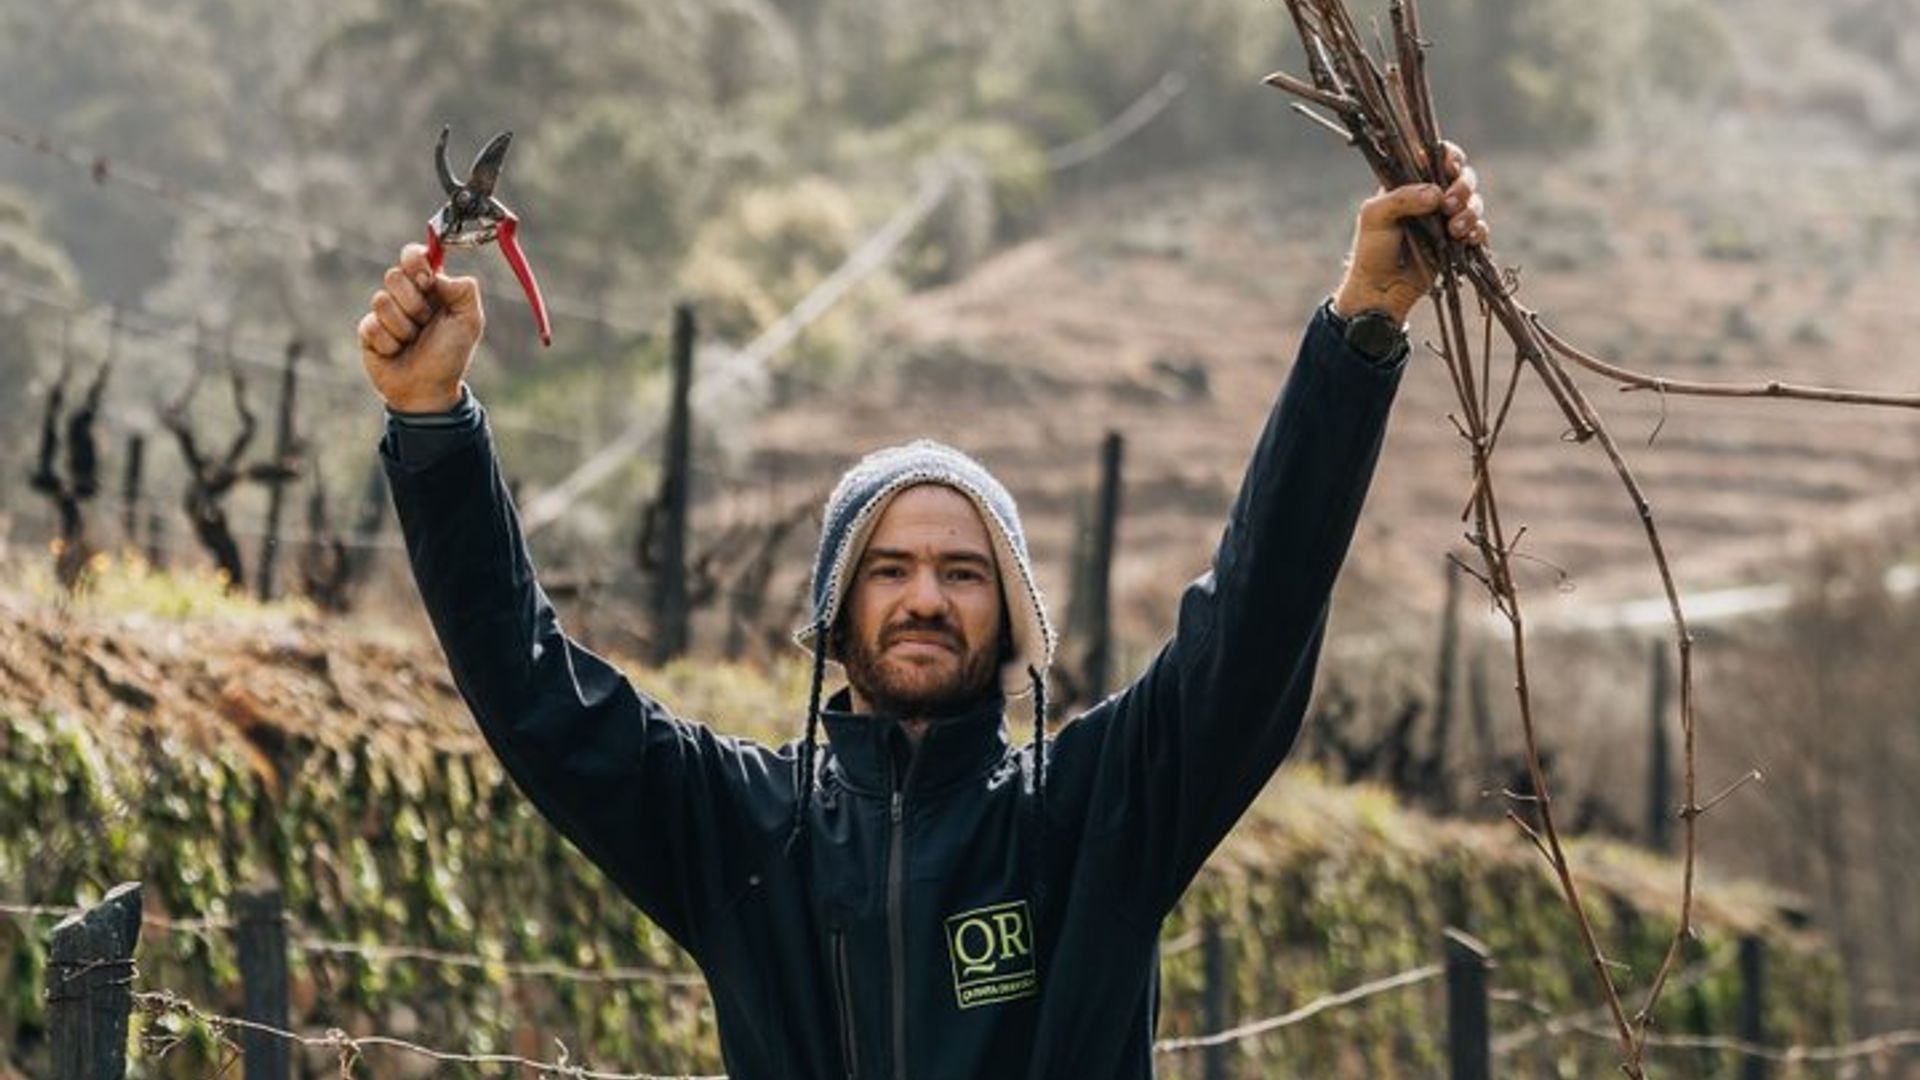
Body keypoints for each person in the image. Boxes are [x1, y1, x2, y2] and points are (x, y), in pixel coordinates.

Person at [358, 149, 1487, 1078]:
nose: (926, 598)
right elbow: (533, 692)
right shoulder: (743, 832)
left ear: (1011, 615)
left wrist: (1361, 327)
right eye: (889, 569)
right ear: (836, 610)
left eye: (963, 572)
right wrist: (433, 422)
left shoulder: (1095, 814)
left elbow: (1258, 616)